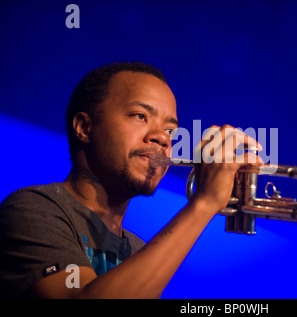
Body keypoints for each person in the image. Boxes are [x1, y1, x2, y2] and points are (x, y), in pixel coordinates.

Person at [0, 62, 262, 298]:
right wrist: (204, 204)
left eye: (170, 130)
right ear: (84, 127)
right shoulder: (33, 209)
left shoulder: (138, 251)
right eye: (140, 116)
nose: (163, 138)